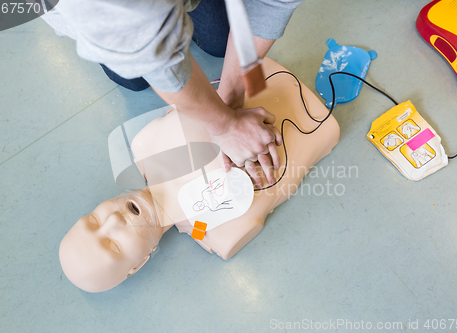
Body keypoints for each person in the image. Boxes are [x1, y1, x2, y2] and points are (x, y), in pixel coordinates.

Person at [59, 58, 340, 292]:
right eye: (114, 245)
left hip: (258, 71)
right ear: (141, 262)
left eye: (93, 219)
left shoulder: (143, 146)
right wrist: (205, 233)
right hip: (316, 121)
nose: (113, 221)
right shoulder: (216, 233)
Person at [41, 0, 304, 186]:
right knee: (134, 79)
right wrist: (225, 126)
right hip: (88, 11)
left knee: (219, 42)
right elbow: (151, 58)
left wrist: (231, 98)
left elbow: (271, 3)